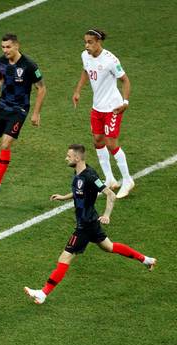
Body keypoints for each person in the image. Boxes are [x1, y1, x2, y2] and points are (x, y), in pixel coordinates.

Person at [24, 144, 156, 304]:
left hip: (85, 225)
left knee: (65, 257)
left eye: (69, 156)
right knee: (110, 247)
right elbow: (80, 192)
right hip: (90, 222)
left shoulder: (90, 176)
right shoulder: (78, 173)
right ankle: (146, 260)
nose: (66, 158)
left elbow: (110, 194)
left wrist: (106, 215)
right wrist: (63, 197)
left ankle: (43, 293)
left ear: (77, 158)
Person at [0, 33, 47, 196]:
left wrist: (36, 113)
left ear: (16, 46)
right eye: (3, 47)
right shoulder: (1, 61)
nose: (5, 50)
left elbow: (41, 88)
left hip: (19, 110)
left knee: (5, 144)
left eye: (8, 47)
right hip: (2, 105)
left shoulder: (29, 65)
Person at [72, 29, 134, 198]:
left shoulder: (110, 60)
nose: (87, 46)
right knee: (98, 140)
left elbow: (125, 80)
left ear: (99, 42)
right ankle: (110, 178)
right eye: (85, 42)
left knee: (111, 143)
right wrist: (78, 91)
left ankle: (127, 180)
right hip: (97, 107)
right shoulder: (85, 56)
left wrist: (125, 102)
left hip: (113, 108)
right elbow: (86, 71)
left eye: (90, 42)